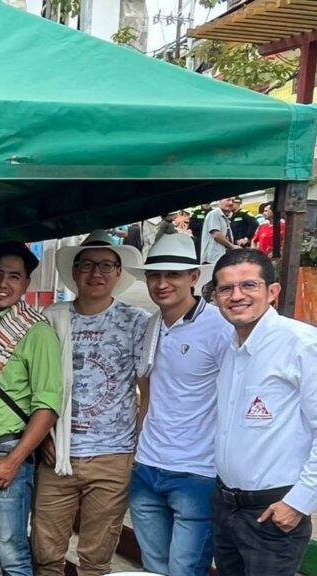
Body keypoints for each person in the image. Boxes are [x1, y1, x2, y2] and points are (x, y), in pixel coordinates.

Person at [33, 229, 148, 576]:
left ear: (118, 272)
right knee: (45, 553)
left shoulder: (136, 321)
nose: (96, 273)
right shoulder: (52, 317)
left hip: (112, 455)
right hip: (57, 453)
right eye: (87, 265)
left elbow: (146, 389)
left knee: (96, 559)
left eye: (106, 265)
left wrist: (136, 446)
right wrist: (42, 438)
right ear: (75, 271)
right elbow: (34, 383)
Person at [125, 233, 230, 576]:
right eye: (154, 275)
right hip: (147, 466)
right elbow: (147, 387)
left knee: (185, 569)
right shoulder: (151, 324)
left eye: (173, 274)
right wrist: (138, 445)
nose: (162, 283)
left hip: (196, 471)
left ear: (194, 277)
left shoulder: (220, 326)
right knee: (154, 568)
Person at [210, 249, 317, 575]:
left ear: (272, 291)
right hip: (226, 506)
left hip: (273, 512)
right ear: (215, 297)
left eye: (248, 285)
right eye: (226, 288)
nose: (236, 296)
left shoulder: (301, 344)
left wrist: (298, 502)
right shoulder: (231, 347)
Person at [0, 242, 63, 576]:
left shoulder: (36, 331)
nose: (3, 283)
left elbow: (48, 404)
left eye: (14, 276)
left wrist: (13, 461)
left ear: (26, 283)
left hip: (6, 450)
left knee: (11, 552)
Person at [200, 198, 239, 265]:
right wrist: (232, 247)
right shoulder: (214, 214)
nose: (231, 203)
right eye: (228, 200)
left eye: (233, 201)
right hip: (212, 259)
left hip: (220, 258)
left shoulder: (224, 217)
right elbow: (216, 235)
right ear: (220, 201)